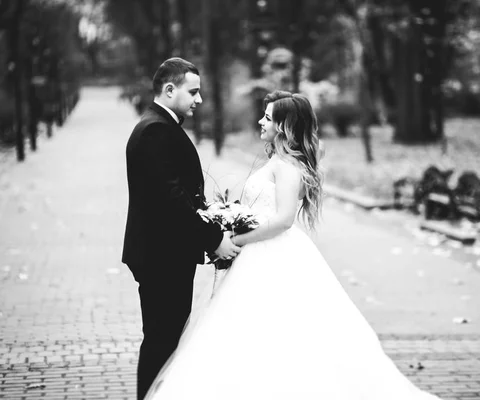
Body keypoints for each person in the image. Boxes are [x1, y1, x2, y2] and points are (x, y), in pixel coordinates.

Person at [145, 91, 441, 399]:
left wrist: (235, 239)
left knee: (273, 332)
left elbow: (284, 220)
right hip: (258, 250)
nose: (261, 121)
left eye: (268, 118)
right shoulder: (278, 160)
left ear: (284, 127)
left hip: (270, 252)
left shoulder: (286, 167)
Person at [121, 57, 241, 400]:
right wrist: (214, 238)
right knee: (162, 339)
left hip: (165, 254)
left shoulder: (160, 125)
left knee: (167, 337)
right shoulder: (155, 130)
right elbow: (171, 198)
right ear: (169, 89)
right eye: (193, 91)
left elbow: (178, 194)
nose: (199, 100)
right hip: (162, 258)